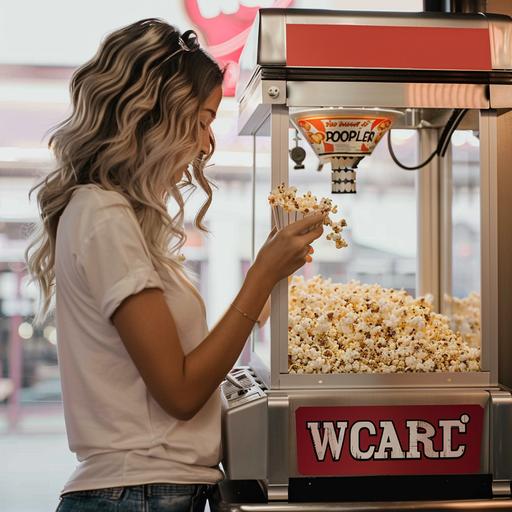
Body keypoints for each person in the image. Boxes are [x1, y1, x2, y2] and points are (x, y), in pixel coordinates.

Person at [25, 18, 324, 512]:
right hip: (135, 494)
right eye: (204, 120)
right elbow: (181, 391)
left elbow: (187, 362)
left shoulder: (115, 216)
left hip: (148, 490)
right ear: (158, 115)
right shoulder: (103, 215)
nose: (207, 143)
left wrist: (275, 280)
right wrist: (261, 275)